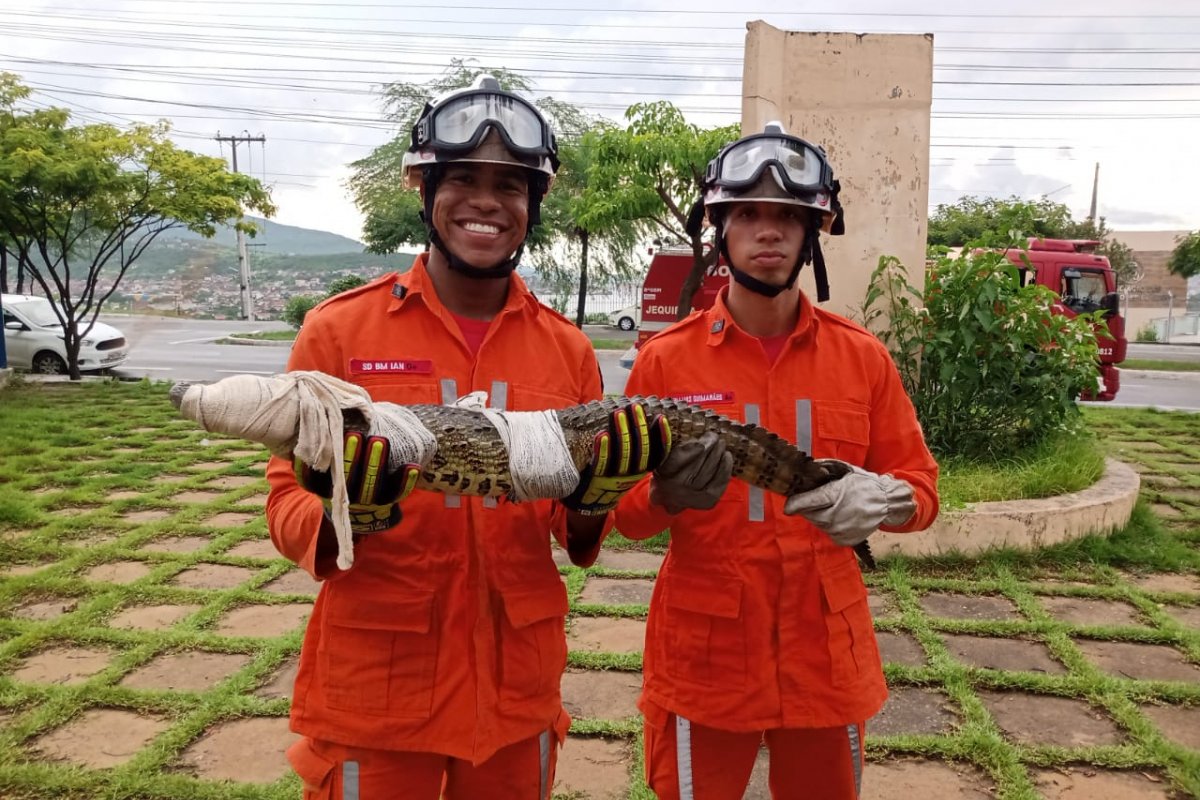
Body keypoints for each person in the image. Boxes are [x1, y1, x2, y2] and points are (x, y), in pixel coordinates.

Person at [265, 75, 669, 800]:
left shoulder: (567, 350)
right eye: (464, 180)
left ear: (532, 205)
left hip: (514, 691)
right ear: (424, 191)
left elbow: (566, 530)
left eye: (511, 185)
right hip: (377, 692)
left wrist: (595, 499)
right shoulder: (338, 333)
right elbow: (283, 501)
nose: (487, 202)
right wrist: (343, 513)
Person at [612, 122, 940, 799]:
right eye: (750, 216)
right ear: (720, 231)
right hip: (706, 658)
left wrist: (883, 499)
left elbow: (922, 491)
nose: (770, 233)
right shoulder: (666, 360)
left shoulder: (862, 358)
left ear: (813, 231)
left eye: (789, 218)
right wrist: (666, 496)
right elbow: (624, 515)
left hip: (826, 656)